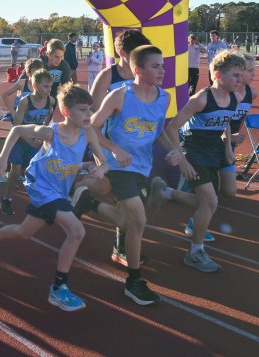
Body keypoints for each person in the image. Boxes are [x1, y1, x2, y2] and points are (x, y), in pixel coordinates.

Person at [0, 83, 108, 312]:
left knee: (25, 232)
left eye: (90, 109)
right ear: (66, 112)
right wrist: (3, 159)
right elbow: (16, 130)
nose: (88, 114)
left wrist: (100, 168)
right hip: (40, 187)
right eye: (82, 110)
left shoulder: (89, 133)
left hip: (59, 191)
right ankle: (59, 288)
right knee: (77, 231)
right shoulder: (51, 132)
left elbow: (104, 162)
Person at [74, 45, 180, 305]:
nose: (161, 71)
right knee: (139, 219)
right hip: (117, 164)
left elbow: (159, 131)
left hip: (141, 167)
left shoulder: (164, 98)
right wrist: (114, 148)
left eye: (163, 66)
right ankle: (134, 281)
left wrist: (174, 151)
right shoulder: (120, 96)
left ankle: (90, 202)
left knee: (127, 220)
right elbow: (92, 128)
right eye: (155, 66)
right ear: (137, 70)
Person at [165, 50, 245, 273]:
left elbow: (226, 122)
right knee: (210, 202)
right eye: (236, 75)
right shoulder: (200, 99)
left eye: (242, 75)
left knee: (208, 201)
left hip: (214, 151)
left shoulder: (234, 98)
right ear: (218, 75)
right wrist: (181, 159)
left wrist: (228, 146)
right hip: (193, 150)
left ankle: (165, 193)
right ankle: (195, 252)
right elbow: (172, 128)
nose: (241, 80)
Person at [87, 29, 151, 267]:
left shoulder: (141, 74)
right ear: (121, 53)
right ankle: (121, 248)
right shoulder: (108, 75)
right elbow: (92, 110)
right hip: (109, 143)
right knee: (123, 196)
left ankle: (86, 196)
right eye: (135, 53)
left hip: (134, 144)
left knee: (126, 196)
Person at [0, 68, 55, 215]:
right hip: (20, 140)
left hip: (36, 140)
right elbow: (17, 127)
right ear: (35, 86)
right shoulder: (25, 102)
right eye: (45, 86)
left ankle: (41, 201)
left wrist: (41, 138)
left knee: (37, 171)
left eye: (50, 86)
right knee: (16, 170)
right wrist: (31, 140)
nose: (49, 89)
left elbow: (48, 122)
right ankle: (6, 199)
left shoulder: (51, 101)